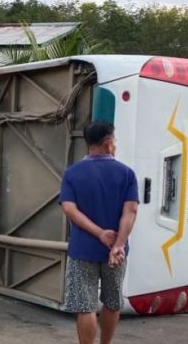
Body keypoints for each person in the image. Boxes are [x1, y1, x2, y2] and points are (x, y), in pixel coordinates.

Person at [59, 121, 138, 344]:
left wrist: (99, 233)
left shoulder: (72, 173)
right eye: (114, 140)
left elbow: (69, 209)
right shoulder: (126, 174)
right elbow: (130, 211)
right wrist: (118, 245)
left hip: (83, 250)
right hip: (116, 252)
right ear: (106, 143)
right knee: (112, 302)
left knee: (85, 306)